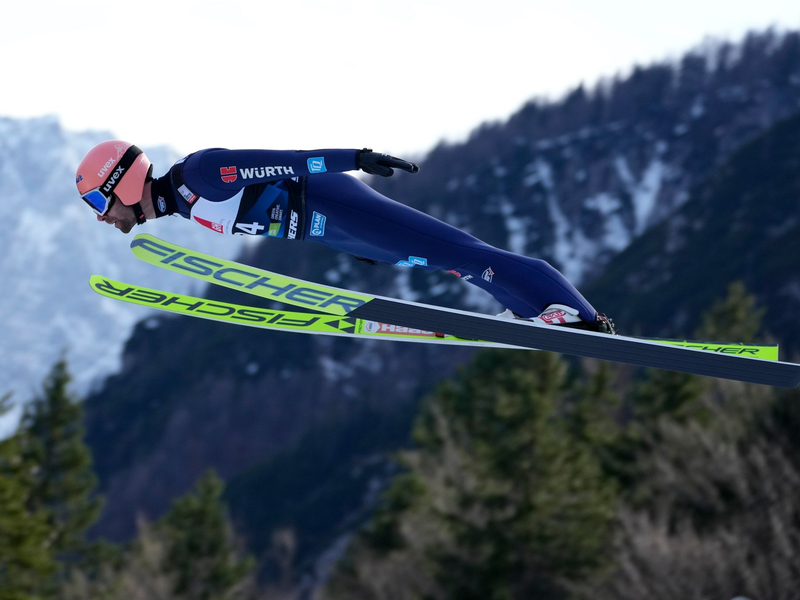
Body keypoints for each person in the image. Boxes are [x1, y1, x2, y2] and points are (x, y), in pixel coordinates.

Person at [75, 140, 615, 333]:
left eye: (99, 201)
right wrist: (354, 248)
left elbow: (288, 163)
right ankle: (540, 316)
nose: (102, 216)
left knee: (461, 253)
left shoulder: (199, 173)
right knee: (452, 263)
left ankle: (576, 314)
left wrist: (355, 158)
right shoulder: (186, 203)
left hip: (335, 202)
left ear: (122, 183)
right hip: (338, 230)